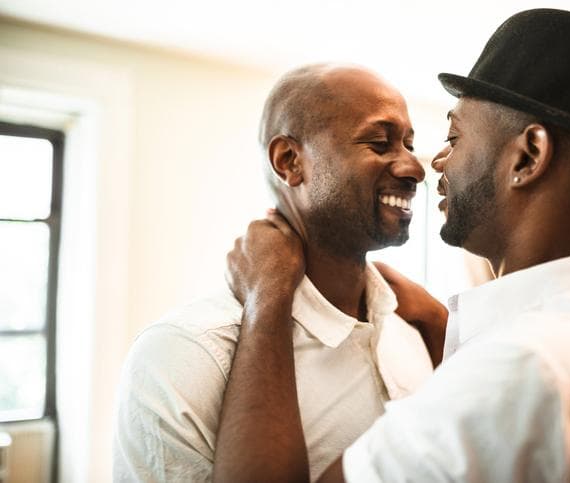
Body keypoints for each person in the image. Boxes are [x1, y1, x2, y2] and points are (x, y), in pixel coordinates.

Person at [218, 8, 570, 483]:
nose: (433, 163)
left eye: (454, 136)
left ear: (528, 156)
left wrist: (266, 301)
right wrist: (438, 322)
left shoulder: (513, 374)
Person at [112, 64, 441, 482]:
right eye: (380, 142)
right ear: (289, 161)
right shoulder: (185, 354)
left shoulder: (410, 329)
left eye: (410, 145)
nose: (415, 168)